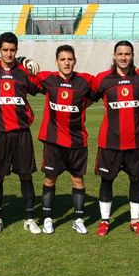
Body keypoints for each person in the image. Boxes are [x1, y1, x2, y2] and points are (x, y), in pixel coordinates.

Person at [0, 32, 42, 234]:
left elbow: (43, 85)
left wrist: (27, 62)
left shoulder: (24, 72)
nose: (9, 53)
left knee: (26, 175)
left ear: (17, 50)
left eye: (13, 50)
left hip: (22, 133)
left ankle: (30, 218)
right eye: (5, 50)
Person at [91, 40, 139, 236]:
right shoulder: (103, 79)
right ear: (114, 56)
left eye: (127, 54)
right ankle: (104, 221)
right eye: (120, 54)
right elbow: (88, 98)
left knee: (136, 180)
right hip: (110, 141)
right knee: (106, 180)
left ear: (132, 56)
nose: (124, 57)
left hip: (135, 141)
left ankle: (135, 221)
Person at [35, 44, 94, 234]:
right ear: (56, 61)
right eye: (63, 59)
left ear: (75, 61)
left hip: (77, 141)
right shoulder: (48, 79)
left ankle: (78, 219)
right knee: (50, 179)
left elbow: (97, 92)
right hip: (53, 141)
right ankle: (47, 219)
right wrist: (23, 60)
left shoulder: (85, 81)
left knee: (78, 180)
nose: (66, 63)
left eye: (70, 59)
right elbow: (27, 75)